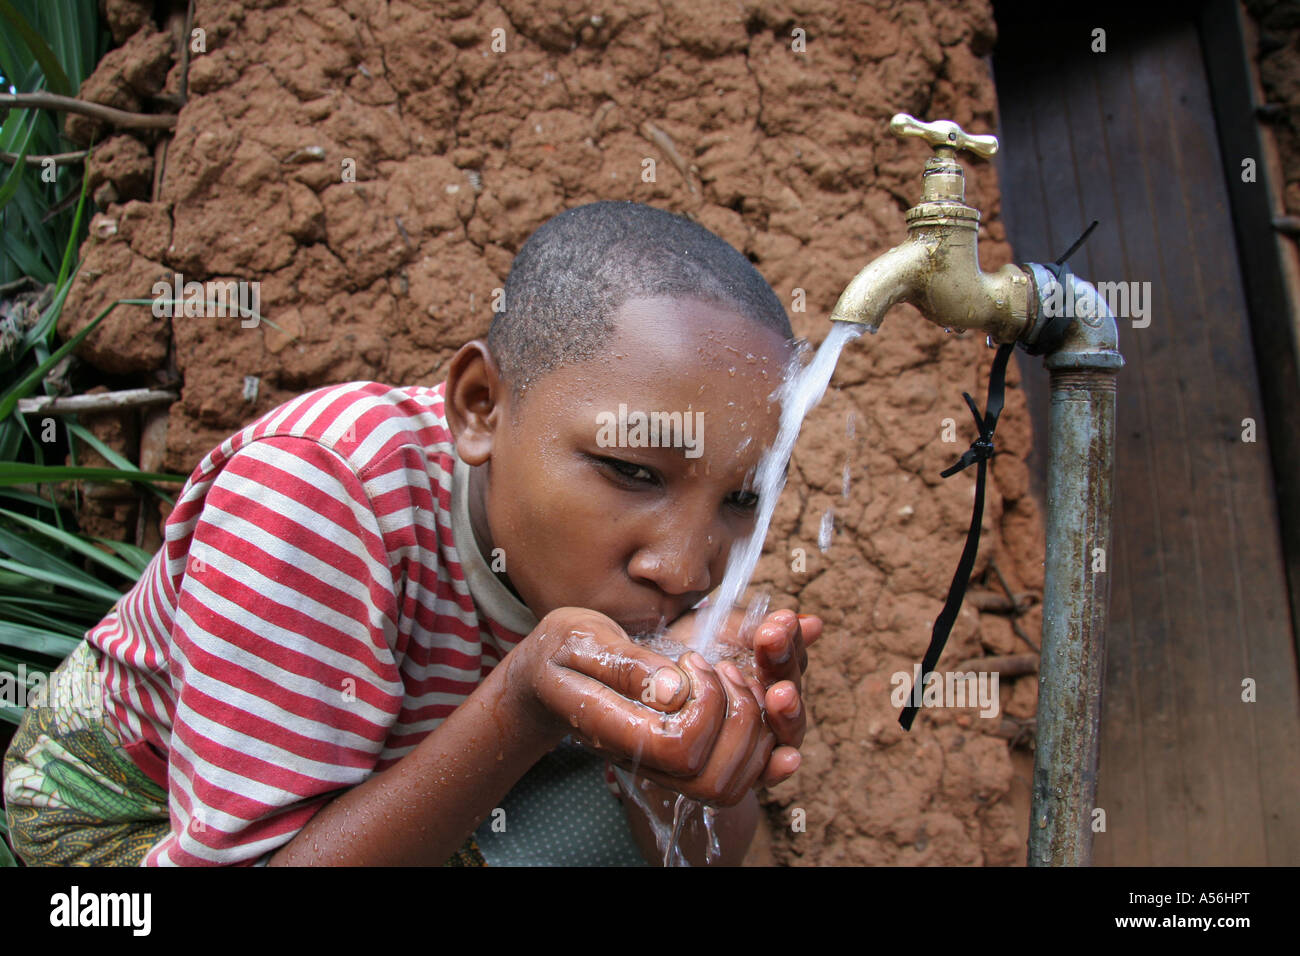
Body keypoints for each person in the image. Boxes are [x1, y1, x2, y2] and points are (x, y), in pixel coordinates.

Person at [3, 200, 821, 866]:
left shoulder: (661, 549)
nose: (684, 567)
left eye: (742, 501)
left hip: (377, 764)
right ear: (479, 407)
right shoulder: (316, 499)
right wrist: (519, 708)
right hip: (129, 821)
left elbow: (702, 857)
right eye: (632, 472)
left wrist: (698, 747)